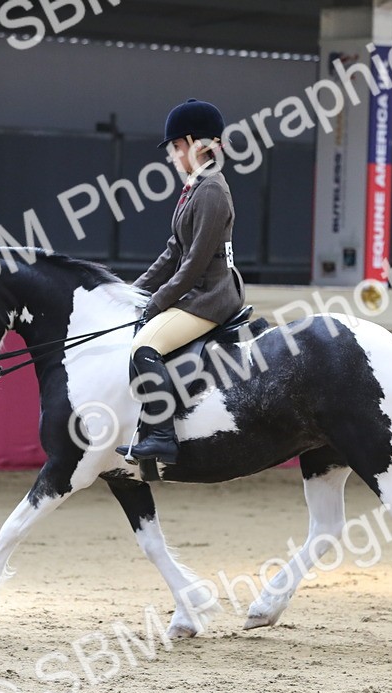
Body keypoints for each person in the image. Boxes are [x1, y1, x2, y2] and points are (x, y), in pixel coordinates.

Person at [117, 98, 246, 465]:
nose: (172, 156)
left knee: (145, 345)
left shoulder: (211, 190)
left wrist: (156, 302)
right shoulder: (195, 187)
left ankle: (161, 437)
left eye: (175, 147)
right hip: (196, 291)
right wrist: (133, 291)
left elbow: (194, 263)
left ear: (193, 143)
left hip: (211, 297)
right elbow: (173, 251)